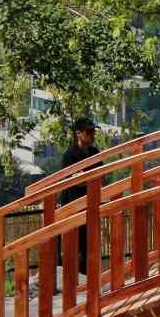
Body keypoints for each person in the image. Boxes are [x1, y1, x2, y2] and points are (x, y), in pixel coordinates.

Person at [59, 117, 100, 276]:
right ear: (78, 133)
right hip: (73, 206)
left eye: (93, 132)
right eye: (88, 132)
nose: (92, 135)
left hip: (90, 204)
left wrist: (84, 178)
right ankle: (71, 279)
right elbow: (72, 181)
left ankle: (89, 278)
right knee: (72, 245)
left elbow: (99, 175)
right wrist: (85, 179)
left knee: (89, 244)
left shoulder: (94, 153)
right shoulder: (69, 155)